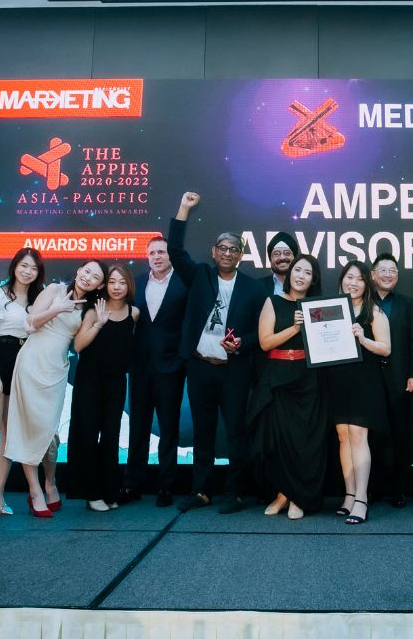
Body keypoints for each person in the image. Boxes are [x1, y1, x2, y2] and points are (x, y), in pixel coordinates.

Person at [170, 192, 267, 514]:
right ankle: (201, 490)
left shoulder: (253, 288)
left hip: (234, 370)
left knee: (237, 432)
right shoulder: (199, 275)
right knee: (203, 431)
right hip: (200, 368)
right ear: (214, 251)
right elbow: (175, 250)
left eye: (233, 249)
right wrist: (184, 209)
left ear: (241, 255)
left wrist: (243, 343)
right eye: (222, 248)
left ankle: (236, 492)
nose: (227, 253)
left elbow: (261, 331)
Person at [5, 260, 105, 517]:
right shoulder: (54, 290)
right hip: (31, 363)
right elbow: (29, 324)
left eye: (95, 276)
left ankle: (51, 481)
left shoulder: (89, 309)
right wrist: (58, 308)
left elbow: (79, 345)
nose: (88, 277)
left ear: (99, 285)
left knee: (50, 432)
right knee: (29, 428)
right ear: (78, 270)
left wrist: (97, 324)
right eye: (86, 271)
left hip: (57, 369)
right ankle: (35, 490)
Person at [249, 254, 326, 520]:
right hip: (278, 378)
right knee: (280, 440)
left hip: (309, 378)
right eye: (297, 270)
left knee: (304, 441)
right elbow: (265, 343)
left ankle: (298, 497)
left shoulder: (319, 306)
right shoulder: (273, 302)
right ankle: (283, 494)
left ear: (313, 279)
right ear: (290, 273)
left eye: (307, 272)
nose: (301, 276)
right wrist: (294, 329)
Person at [0, 248, 45, 524]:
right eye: (23, 266)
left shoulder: (38, 298)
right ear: (14, 266)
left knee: (10, 434)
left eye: (33, 268)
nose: (27, 272)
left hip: (23, 364)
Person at [122, 236, 188, 507]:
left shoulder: (184, 283)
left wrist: (181, 358)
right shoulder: (135, 282)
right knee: (137, 426)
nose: (157, 257)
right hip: (139, 367)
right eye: (152, 253)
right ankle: (132, 484)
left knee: (169, 428)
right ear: (147, 256)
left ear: (170, 255)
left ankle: (166, 486)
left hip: (170, 367)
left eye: (162, 252)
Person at [68, 265, 138, 511]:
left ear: (129, 285)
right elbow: (78, 346)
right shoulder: (93, 310)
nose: (117, 287)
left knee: (111, 435)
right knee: (87, 434)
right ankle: (92, 493)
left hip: (116, 382)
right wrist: (99, 324)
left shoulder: (134, 313)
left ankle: (109, 491)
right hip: (89, 381)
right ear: (104, 285)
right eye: (112, 282)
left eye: (122, 282)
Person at [327, 260, 391, 524]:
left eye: (359, 279)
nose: (353, 283)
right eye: (349, 277)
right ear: (342, 279)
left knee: (357, 435)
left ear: (367, 284)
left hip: (364, 380)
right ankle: (349, 495)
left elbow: (386, 348)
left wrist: (363, 339)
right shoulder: (330, 308)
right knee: (343, 436)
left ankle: (362, 499)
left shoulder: (374, 311)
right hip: (337, 380)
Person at [371, 252, 413, 508]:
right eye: (383, 270)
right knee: (371, 435)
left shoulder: (408, 303)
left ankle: (398, 489)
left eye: (392, 270)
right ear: (373, 275)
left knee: (400, 434)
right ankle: (370, 488)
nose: (388, 274)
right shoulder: (361, 301)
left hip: (400, 380)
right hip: (368, 379)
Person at [259, 232, 301, 296]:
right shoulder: (257, 286)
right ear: (270, 259)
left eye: (287, 253)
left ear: (295, 258)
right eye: (276, 254)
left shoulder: (307, 285)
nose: (282, 258)